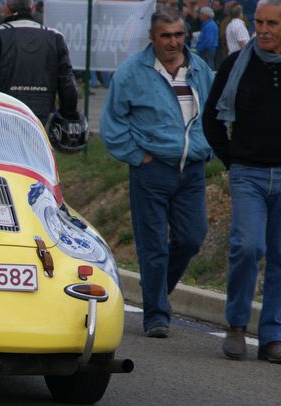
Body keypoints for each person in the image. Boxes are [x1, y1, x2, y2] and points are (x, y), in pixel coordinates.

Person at [100, 7, 214, 338]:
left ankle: (157, 293)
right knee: (153, 247)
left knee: (191, 238)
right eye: (165, 35)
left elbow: (215, 111)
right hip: (151, 171)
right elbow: (113, 124)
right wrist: (139, 157)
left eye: (179, 35)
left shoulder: (200, 69)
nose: (173, 42)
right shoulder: (131, 73)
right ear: (152, 38)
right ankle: (156, 315)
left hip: (191, 170)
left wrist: (205, 147)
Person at [203, 0, 281, 362]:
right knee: (248, 247)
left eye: (272, 24)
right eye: (259, 22)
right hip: (247, 172)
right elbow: (212, 118)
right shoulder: (237, 64)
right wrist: (231, 160)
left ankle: (272, 336)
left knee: (279, 255)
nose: (263, 29)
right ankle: (236, 325)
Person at [0, 0, 78, 125]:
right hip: (41, 118)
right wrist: (69, 115)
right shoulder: (55, 37)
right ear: (32, 8)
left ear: (7, 9)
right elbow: (67, 84)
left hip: (1, 116)